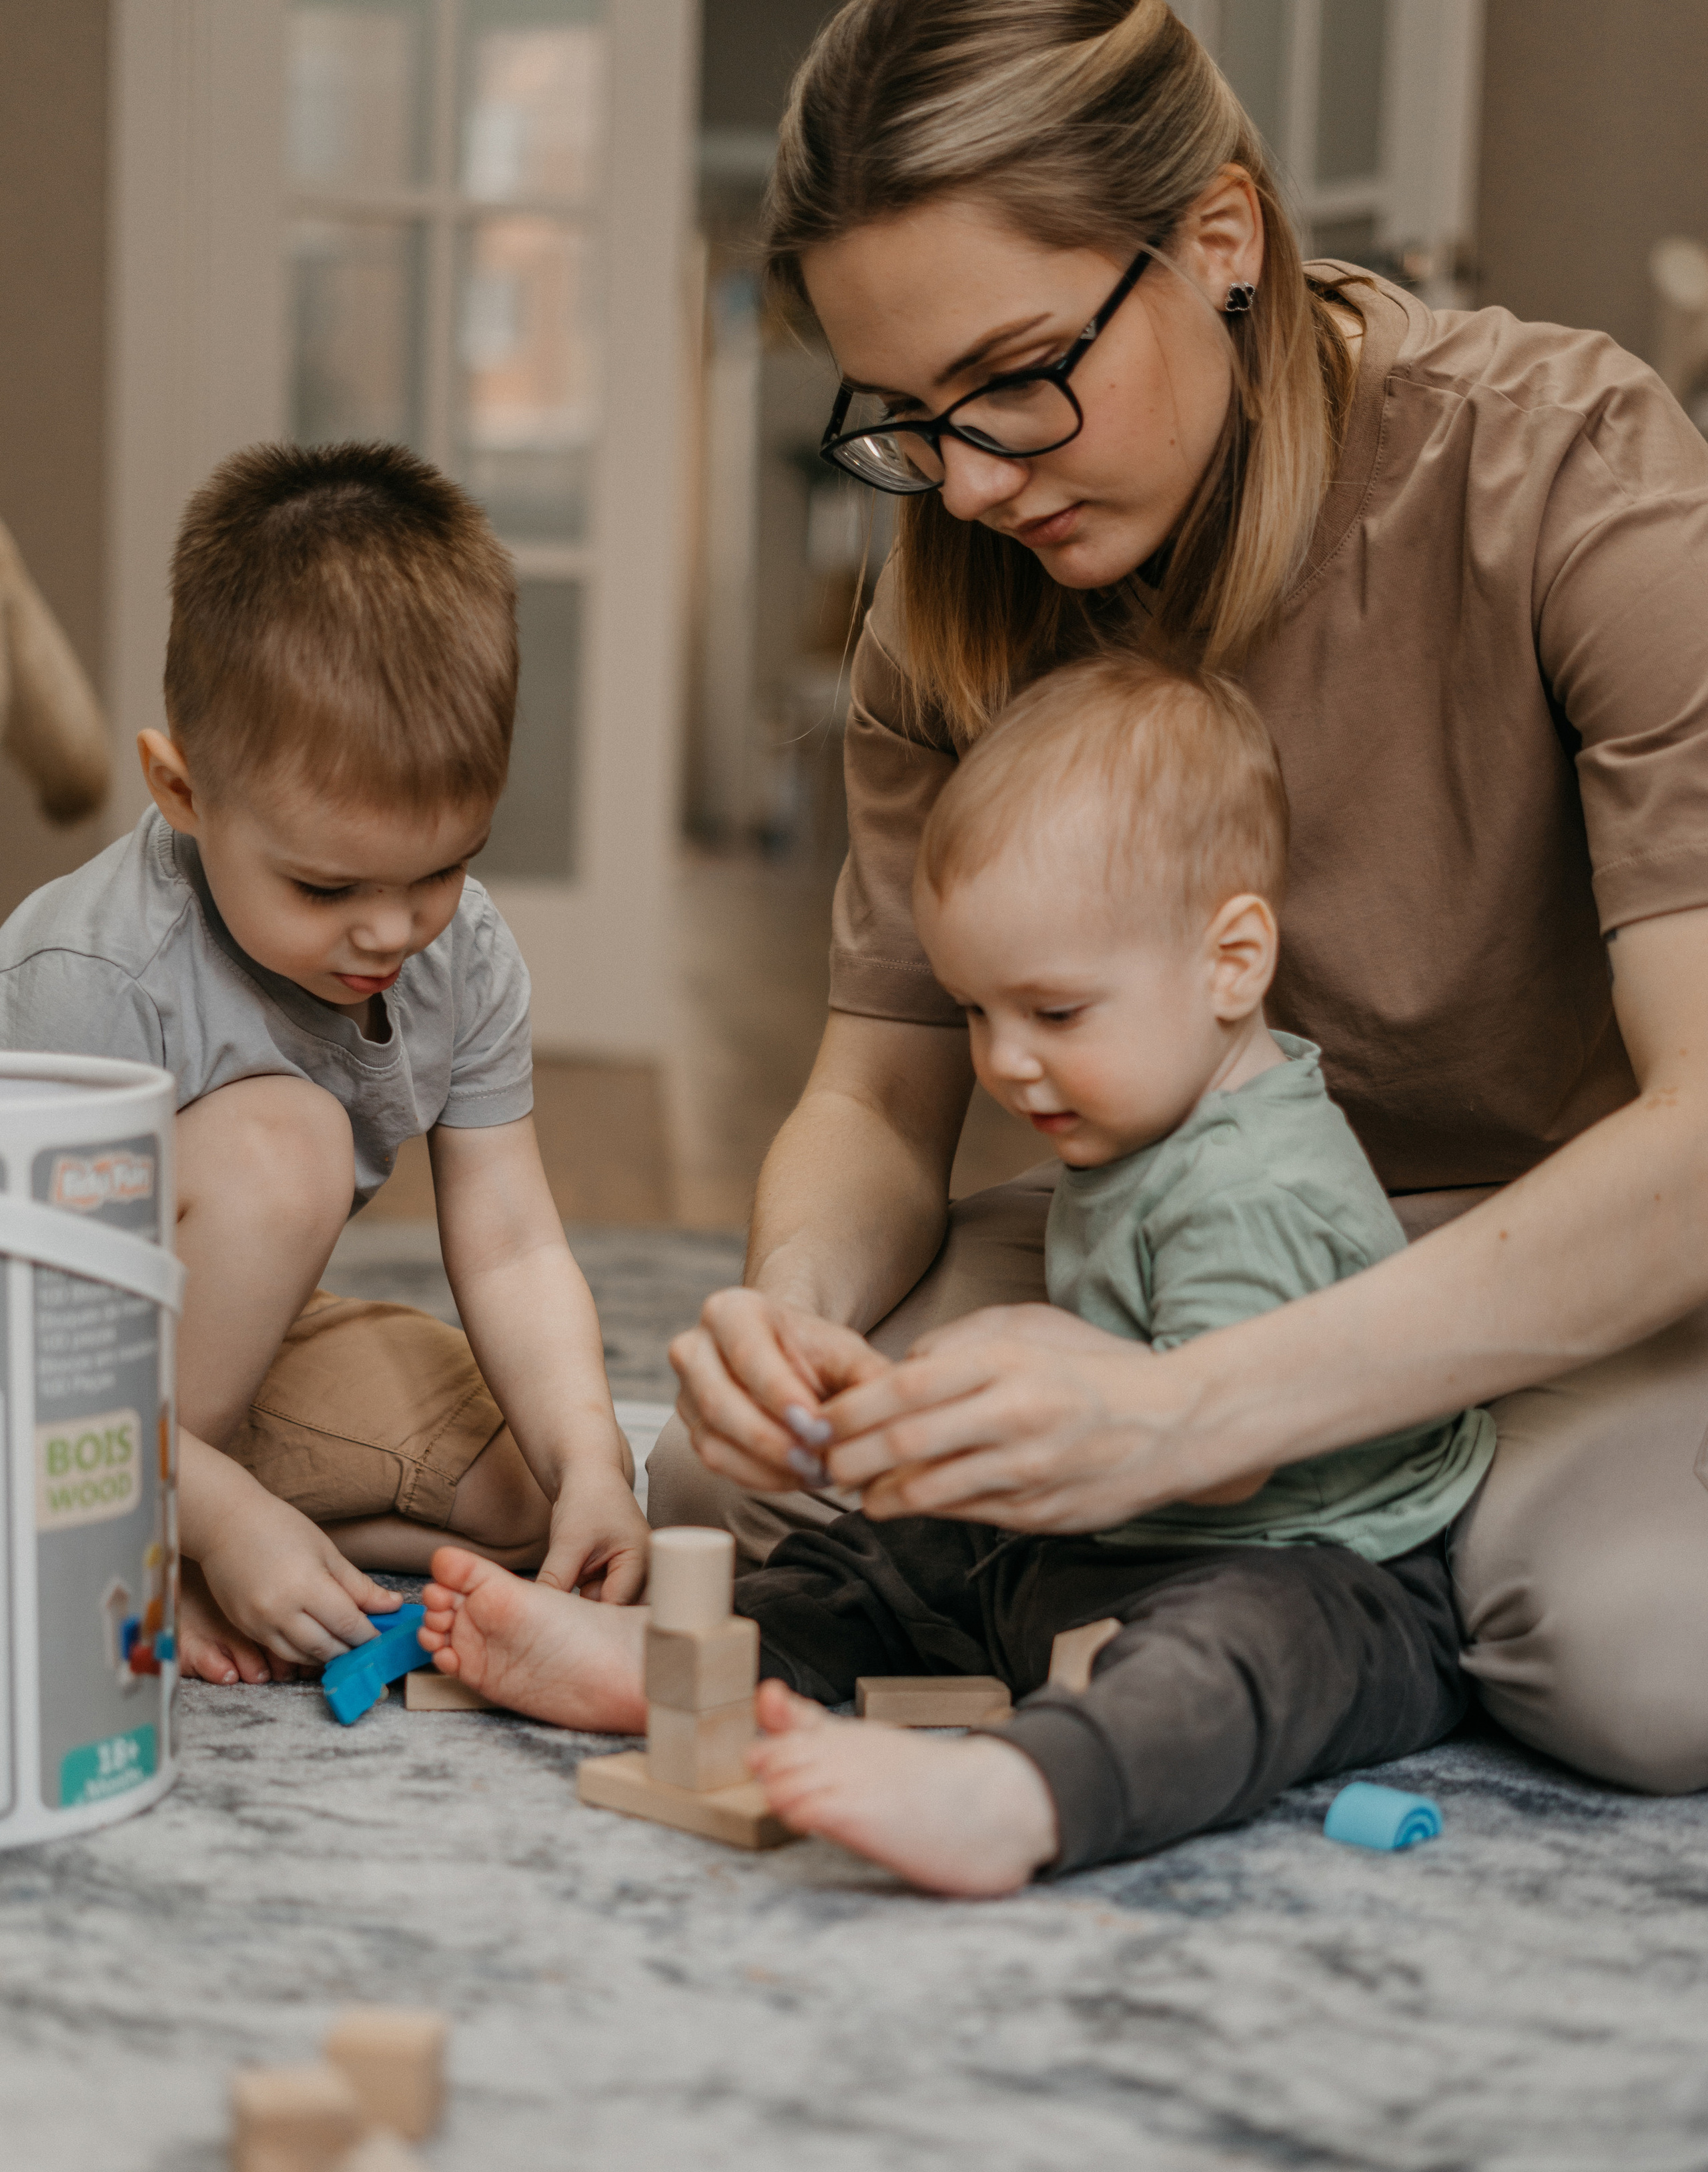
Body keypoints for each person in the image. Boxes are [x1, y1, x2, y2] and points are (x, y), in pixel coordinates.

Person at [657, 0, 1708, 1800]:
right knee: (728, 1479)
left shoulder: (1567, 468)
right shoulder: (950, 592)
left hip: (1560, 1261)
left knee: (1642, 1663)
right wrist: (796, 1317)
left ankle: (1292, 1587)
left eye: (1013, 376)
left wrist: (1186, 1414)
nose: (968, 483)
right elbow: (876, 1096)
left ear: (1220, 238)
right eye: (907, 419)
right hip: (1155, 1221)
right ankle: (1309, 1602)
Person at [415, 657, 1492, 1892]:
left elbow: (1226, 1452)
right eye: (979, 1014)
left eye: (1055, 1014)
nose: (1006, 1065)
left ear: (1234, 961)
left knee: (1227, 1667)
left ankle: (1018, 1796)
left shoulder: (1259, 1186)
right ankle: (686, 1659)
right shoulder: (1149, 1101)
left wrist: (1043, 1382)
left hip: (1320, 1563)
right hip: (1118, 1529)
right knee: (891, 1555)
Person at [0, 442, 647, 1684]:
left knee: (526, 1492)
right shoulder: (91, 979)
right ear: (182, 790)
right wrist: (212, 1515)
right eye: (326, 887)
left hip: (201, 1361)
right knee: (287, 1141)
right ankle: (136, 1531)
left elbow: (513, 1242)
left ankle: (204, 1504)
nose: (391, 932)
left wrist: (592, 1462)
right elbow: (33, 1326)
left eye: (441, 869)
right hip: (42, 1363)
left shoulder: (465, 952)